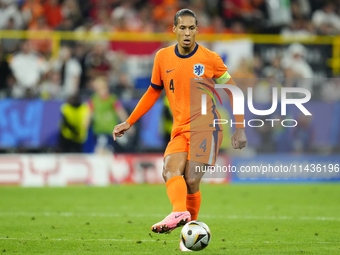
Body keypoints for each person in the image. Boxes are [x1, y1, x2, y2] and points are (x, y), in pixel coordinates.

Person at [112, 9, 247, 249]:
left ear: (197, 30)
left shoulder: (210, 59)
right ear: (174, 29)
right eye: (182, 27)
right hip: (180, 129)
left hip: (206, 128)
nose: (186, 33)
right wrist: (129, 121)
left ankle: (189, 230)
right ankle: (180, 216)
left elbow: (234, 91)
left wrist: (239, 128)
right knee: (169, 169)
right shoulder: (162, 57)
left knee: (192, 180)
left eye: (191, 28)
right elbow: (153, 90)